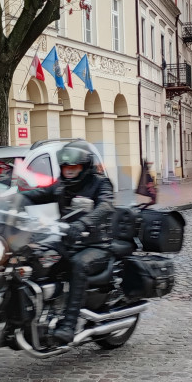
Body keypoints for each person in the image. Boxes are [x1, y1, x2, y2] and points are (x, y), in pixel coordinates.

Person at [19, 142, 115, 345]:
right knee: (33, 257)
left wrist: (83, 223)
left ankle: (68, 325)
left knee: (78, 265)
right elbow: (38, 194)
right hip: (67, 241)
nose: (69, 172)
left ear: (85, 167)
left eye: (74, 168)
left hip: (95, 245)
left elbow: (105, 206)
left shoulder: (100, 183)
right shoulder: (61, 185)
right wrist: (9, 198)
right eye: (66, 168)